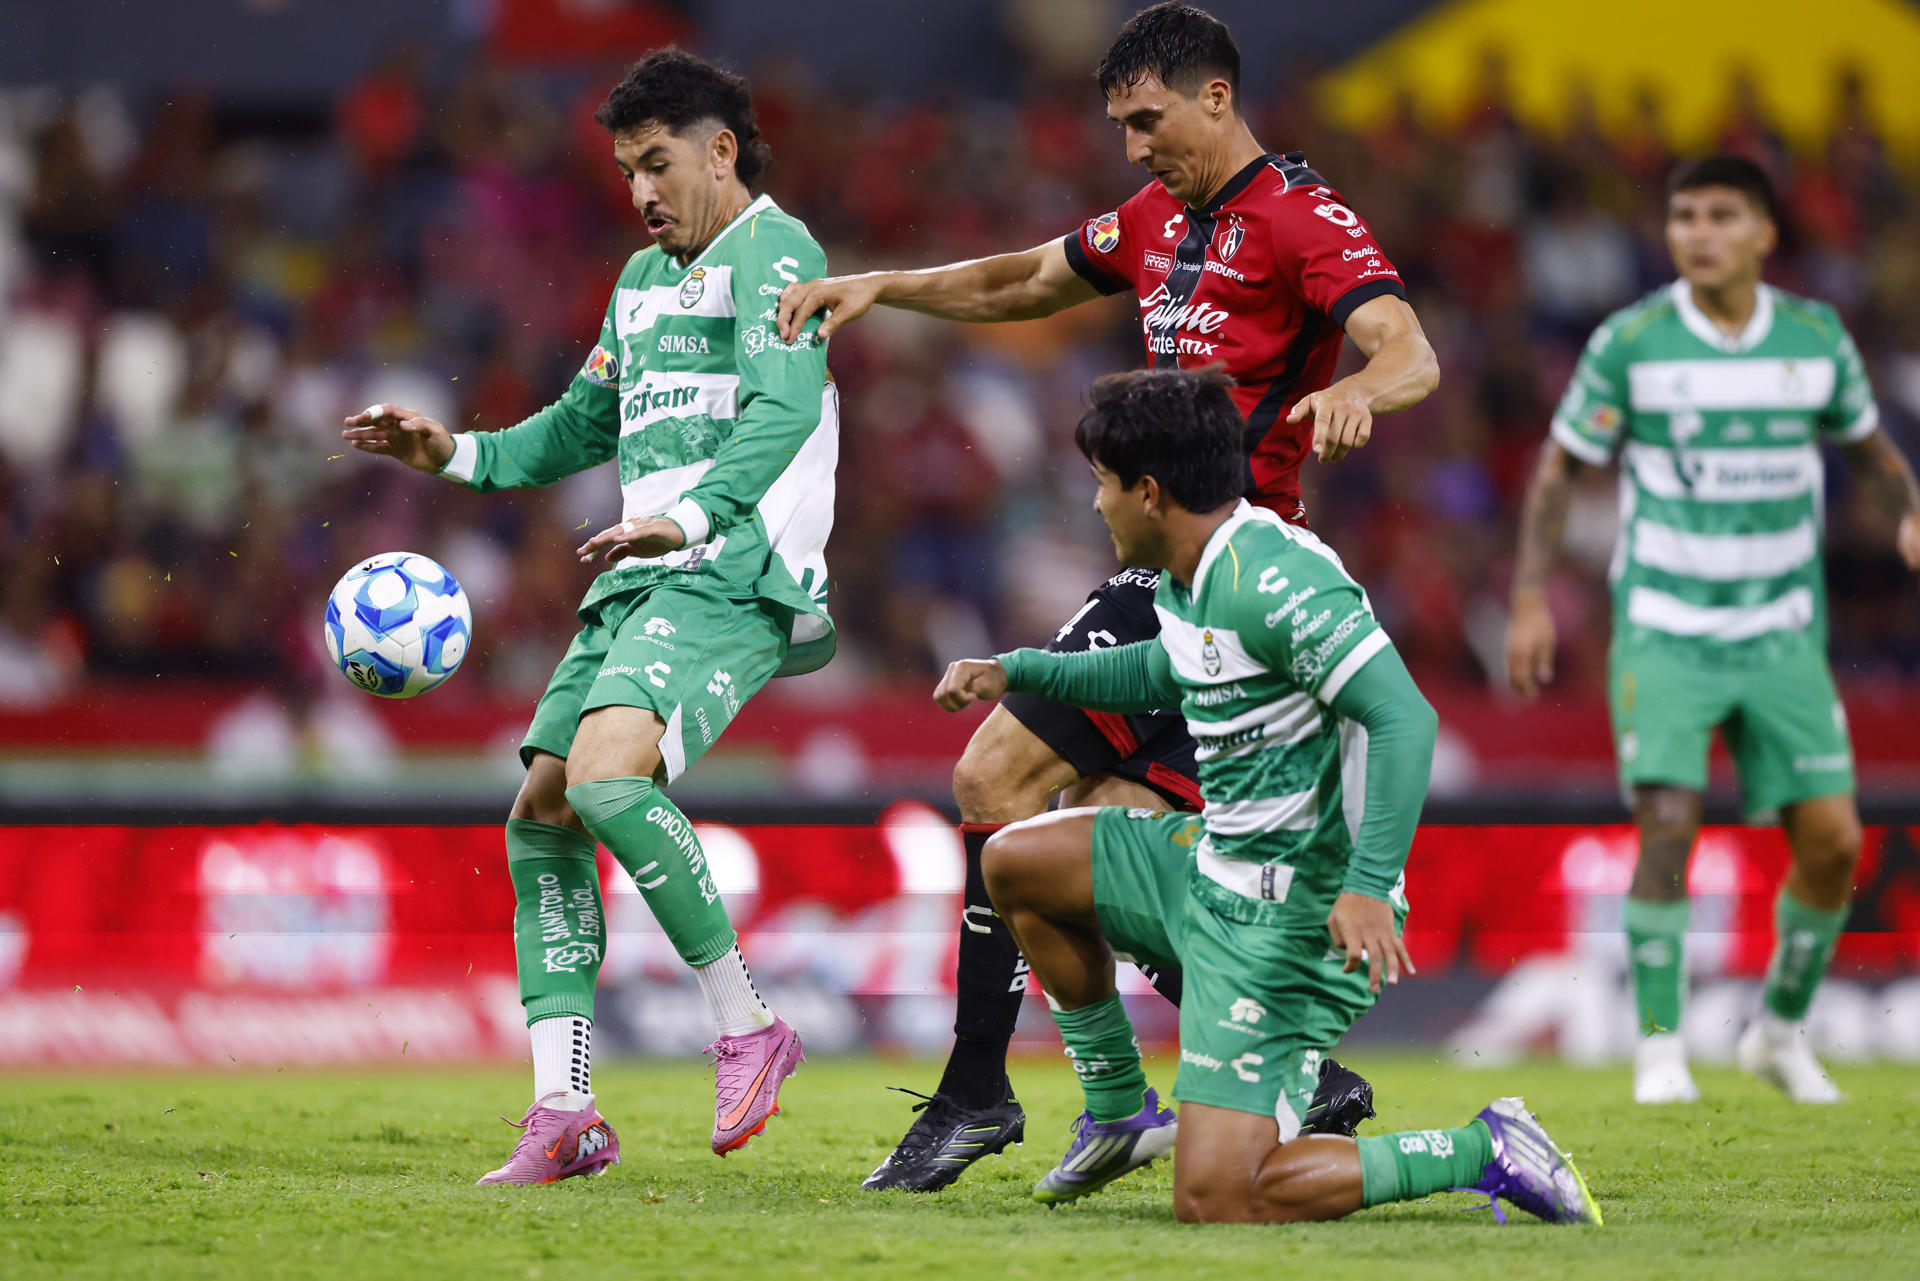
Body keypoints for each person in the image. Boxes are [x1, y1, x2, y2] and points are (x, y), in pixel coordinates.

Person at [778, 1, 1438, 1191]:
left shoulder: (1298, 217)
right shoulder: (1154, 217)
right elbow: (1027, 279)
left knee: (992, 783)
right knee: (1108, 821)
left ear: (1216, 98)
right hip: (1168, 575)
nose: (1134, 146)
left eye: (1148, 120)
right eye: (1122, 126)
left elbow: (1406, 345)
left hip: (1232, 562)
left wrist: (1363, 394)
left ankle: (981, 1092)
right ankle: (1289, 1078)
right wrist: (885, 283)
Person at [931, 368, 1599, 1224]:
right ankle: (1119, 1110)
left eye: (1103, 484)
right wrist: (1017, 671)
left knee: (1219, 1195)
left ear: (1149, 490)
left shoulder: (1273, 578)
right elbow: (1159, 669)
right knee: (1016, 858)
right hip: (1215, 867)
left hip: (1296, 921)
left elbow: (1405, 718)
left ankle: (1485, 1145)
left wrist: (1366, 885)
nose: (1095, 505)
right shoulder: (1191, 568)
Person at [342, 49, 839, 1182]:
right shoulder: (638, 279)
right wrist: (454, 451)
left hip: (733, 563)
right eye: (626, 172)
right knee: (545, 812)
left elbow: (784, 407)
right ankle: (564, 1110)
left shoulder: (776, 249)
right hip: (640, 573)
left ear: (721, 150)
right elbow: (579, 426)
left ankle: (747, 1021)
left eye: (658, 164)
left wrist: (693, 518)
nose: (642, 193)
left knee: (611, 777)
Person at [1504, 154, 1920, 1105]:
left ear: (1764, 233)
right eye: (1684, 215)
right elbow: (1562, 466)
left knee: (1834, 842)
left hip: (1782, 633)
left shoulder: (1814, 340)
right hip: (1666, 627)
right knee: (1667, 824)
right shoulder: (1633, 341)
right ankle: (1659, 1047)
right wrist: (1529, 596)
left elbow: (1870, 449)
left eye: (1722, 215)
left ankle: (1777, 1030)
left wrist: (1907, 509)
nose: (1698, 231)